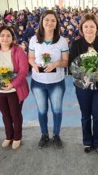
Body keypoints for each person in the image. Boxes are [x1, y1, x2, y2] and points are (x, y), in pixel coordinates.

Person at [69, 13, 98, 154]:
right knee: (85, 115)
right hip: (82, 87)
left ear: (97, 28)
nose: (89, 29)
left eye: (92, 26)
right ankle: (87, 142)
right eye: (86, 26)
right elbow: (72, 66)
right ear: (82, 28)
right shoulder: (76, 44)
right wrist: (84, 76)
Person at [28, 9, 69, 149]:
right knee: (42, 110)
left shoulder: (62, 41)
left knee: (57, 110)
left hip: (56, 82)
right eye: (46, 20)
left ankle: (56, 135)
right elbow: (30, 58)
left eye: (53, 20)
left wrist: (56, 64)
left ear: (56, 23)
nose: (49, 22)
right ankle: (44, 135)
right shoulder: (34, 40)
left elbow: (65, 62)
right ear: (41, 22)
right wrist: (34, 65)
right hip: (38, 82)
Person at [0, 26, 29, 150]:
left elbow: (23, 70)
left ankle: (17, 137)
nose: (5, 38)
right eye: (2, 35)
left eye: (8, 35)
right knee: (5, 114)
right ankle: (9, 136)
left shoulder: (18, 51)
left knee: (15, 114)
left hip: (14, 90)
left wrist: (13, 84)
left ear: (12, 38)